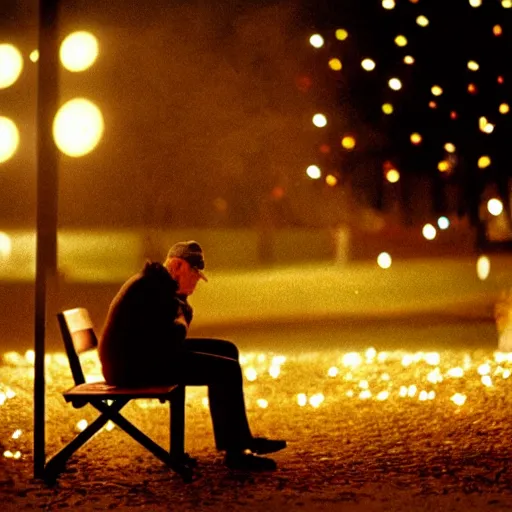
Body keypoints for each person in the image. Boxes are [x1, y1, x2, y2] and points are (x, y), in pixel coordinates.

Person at [99, 240, 286, 471]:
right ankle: (236, 451)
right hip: (132, 368)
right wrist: (182, 316)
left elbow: (164, 342)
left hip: (140, 359)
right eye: (193, 273)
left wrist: (181, 311)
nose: (196, 281)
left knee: (227, 350)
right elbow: (171, 340)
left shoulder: (156, 285)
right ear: (177, 266)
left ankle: (239, 440)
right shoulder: (153, 290)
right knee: (225, 369)